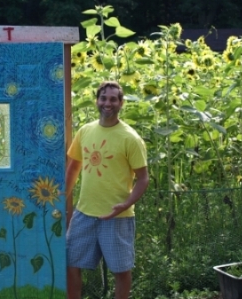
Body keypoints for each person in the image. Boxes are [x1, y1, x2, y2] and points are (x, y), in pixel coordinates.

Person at [65, 81, 149, 299]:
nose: (107, 103)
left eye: (113, 99)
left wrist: (126, 203)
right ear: (97, 101)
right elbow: (73, 167)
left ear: (121, 103)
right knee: (70, 264)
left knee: (121, 271)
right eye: (103, 98)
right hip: (84, 214)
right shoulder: (85, 131)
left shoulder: (130, 138)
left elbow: (143, 179)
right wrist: (62, 198)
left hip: (117, 216)